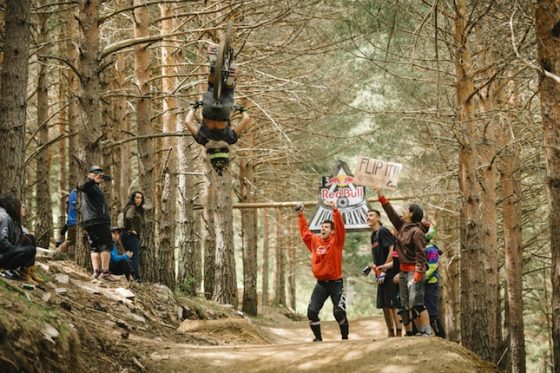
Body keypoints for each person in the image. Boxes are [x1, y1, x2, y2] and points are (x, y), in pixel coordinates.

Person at [374, 188, 432, 337]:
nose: (404, 211)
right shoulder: (402, 226)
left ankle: (426, 331)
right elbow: (391, 213)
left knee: (417, 303)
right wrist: (382, 197)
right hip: (403, 271)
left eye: (407, 210)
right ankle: (417, 332)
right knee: (405, 305)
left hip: (414, 271)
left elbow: (421, 256)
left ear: (412, 214)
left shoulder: (417, 232)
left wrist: (417, 275)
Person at [185, 45, 251, 174]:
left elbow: (246, 119)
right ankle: (214, 67)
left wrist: (243, 110)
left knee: (229, 90)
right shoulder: (202, 141)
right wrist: (193, 107)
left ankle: (231, 81)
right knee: (211, 86)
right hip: (208, 110)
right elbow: (188, 122)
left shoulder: (230, 140)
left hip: (224, 112)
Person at [296, 200, 349, 341]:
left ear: (332, 231)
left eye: (326, 227)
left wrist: (335, 210)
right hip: (321, 284)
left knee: (339, 312)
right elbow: (305, 234)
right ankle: (318, 338)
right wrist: (300, 215)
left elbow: (341, 228)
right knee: (311, 312)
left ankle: (345, 338)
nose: (323, 229)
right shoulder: (315, 242)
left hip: (336, 283)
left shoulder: (337, 242)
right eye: (322, 227)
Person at [80, 165, 118, 282]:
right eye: (96, 174)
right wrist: (92, 180)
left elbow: (108, 178)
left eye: (100, 175)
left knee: (95, 247)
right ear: (89, 175)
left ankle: (96, 272)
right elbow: (83, 187)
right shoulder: (89, 186)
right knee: (106, 245)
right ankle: (105, 272)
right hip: (98, 221)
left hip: (90, 221)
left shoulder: (95, 187)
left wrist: (97, 180)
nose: (99, 177)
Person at [366, 209, 400, 337]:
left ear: (378, 218)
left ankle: (399, 332)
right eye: (367, 215)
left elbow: (392, 249)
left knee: (392, 304)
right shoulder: (373, 235)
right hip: (379, 274)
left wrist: (385, 269)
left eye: (371, 215)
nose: (368, 217)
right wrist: (375, 267)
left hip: (389, 273)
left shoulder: (383, 231)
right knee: (384, 305)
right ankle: (390, 331)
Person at [0, 195, 40, 282]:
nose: (24, 208)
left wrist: (18, 248)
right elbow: (2, 239)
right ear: (16, 208)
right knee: (29, 250)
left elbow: (18, 239)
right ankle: (8, 271)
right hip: (3, 256)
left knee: (30, 239)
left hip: (9, 254)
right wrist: (15, 250)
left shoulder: (16, 222)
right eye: (22, 206)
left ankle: (28, 271)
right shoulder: (6, 219)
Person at [423, 222, 446, 338]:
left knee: (432, 314)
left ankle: (441, 337)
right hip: (423, 283)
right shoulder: (423, 248)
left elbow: (433, 267)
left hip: (430, 283)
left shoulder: (431, 250)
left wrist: (422, 277)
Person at [120, 191, 144, 282]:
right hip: (130, 235)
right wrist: (131, 229)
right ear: (133, 198)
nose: (139, 200)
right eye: (137, 197)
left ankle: (129, 276)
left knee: (129, 256)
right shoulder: (132, 208)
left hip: (126, 235)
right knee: (135, 257)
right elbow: (128, 217)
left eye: (140, 198)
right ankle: (136, 278)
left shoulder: (132, 208)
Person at [57, 189, 77, 253]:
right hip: (75, 222)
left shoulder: (72, 193)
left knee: (70, 241)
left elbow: (67, 208)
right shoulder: (81, 194)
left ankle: (60, 253)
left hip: (71, 222)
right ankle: (58, 253)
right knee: (69, 241)